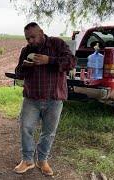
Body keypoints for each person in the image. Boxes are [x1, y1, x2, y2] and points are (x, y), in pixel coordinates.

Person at [13, 22, 77, 175]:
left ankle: (42, 160)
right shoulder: (26, 50)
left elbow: (72, 61)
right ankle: (27, 160)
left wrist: (49, 60)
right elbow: (18, 72)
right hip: (31, 98)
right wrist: (25, 67)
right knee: (26, 128)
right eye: (28, 38)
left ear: (41, 32)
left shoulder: (57, 44)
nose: (31, 41)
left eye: (33, 37)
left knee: (48, 132)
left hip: (54, 97)